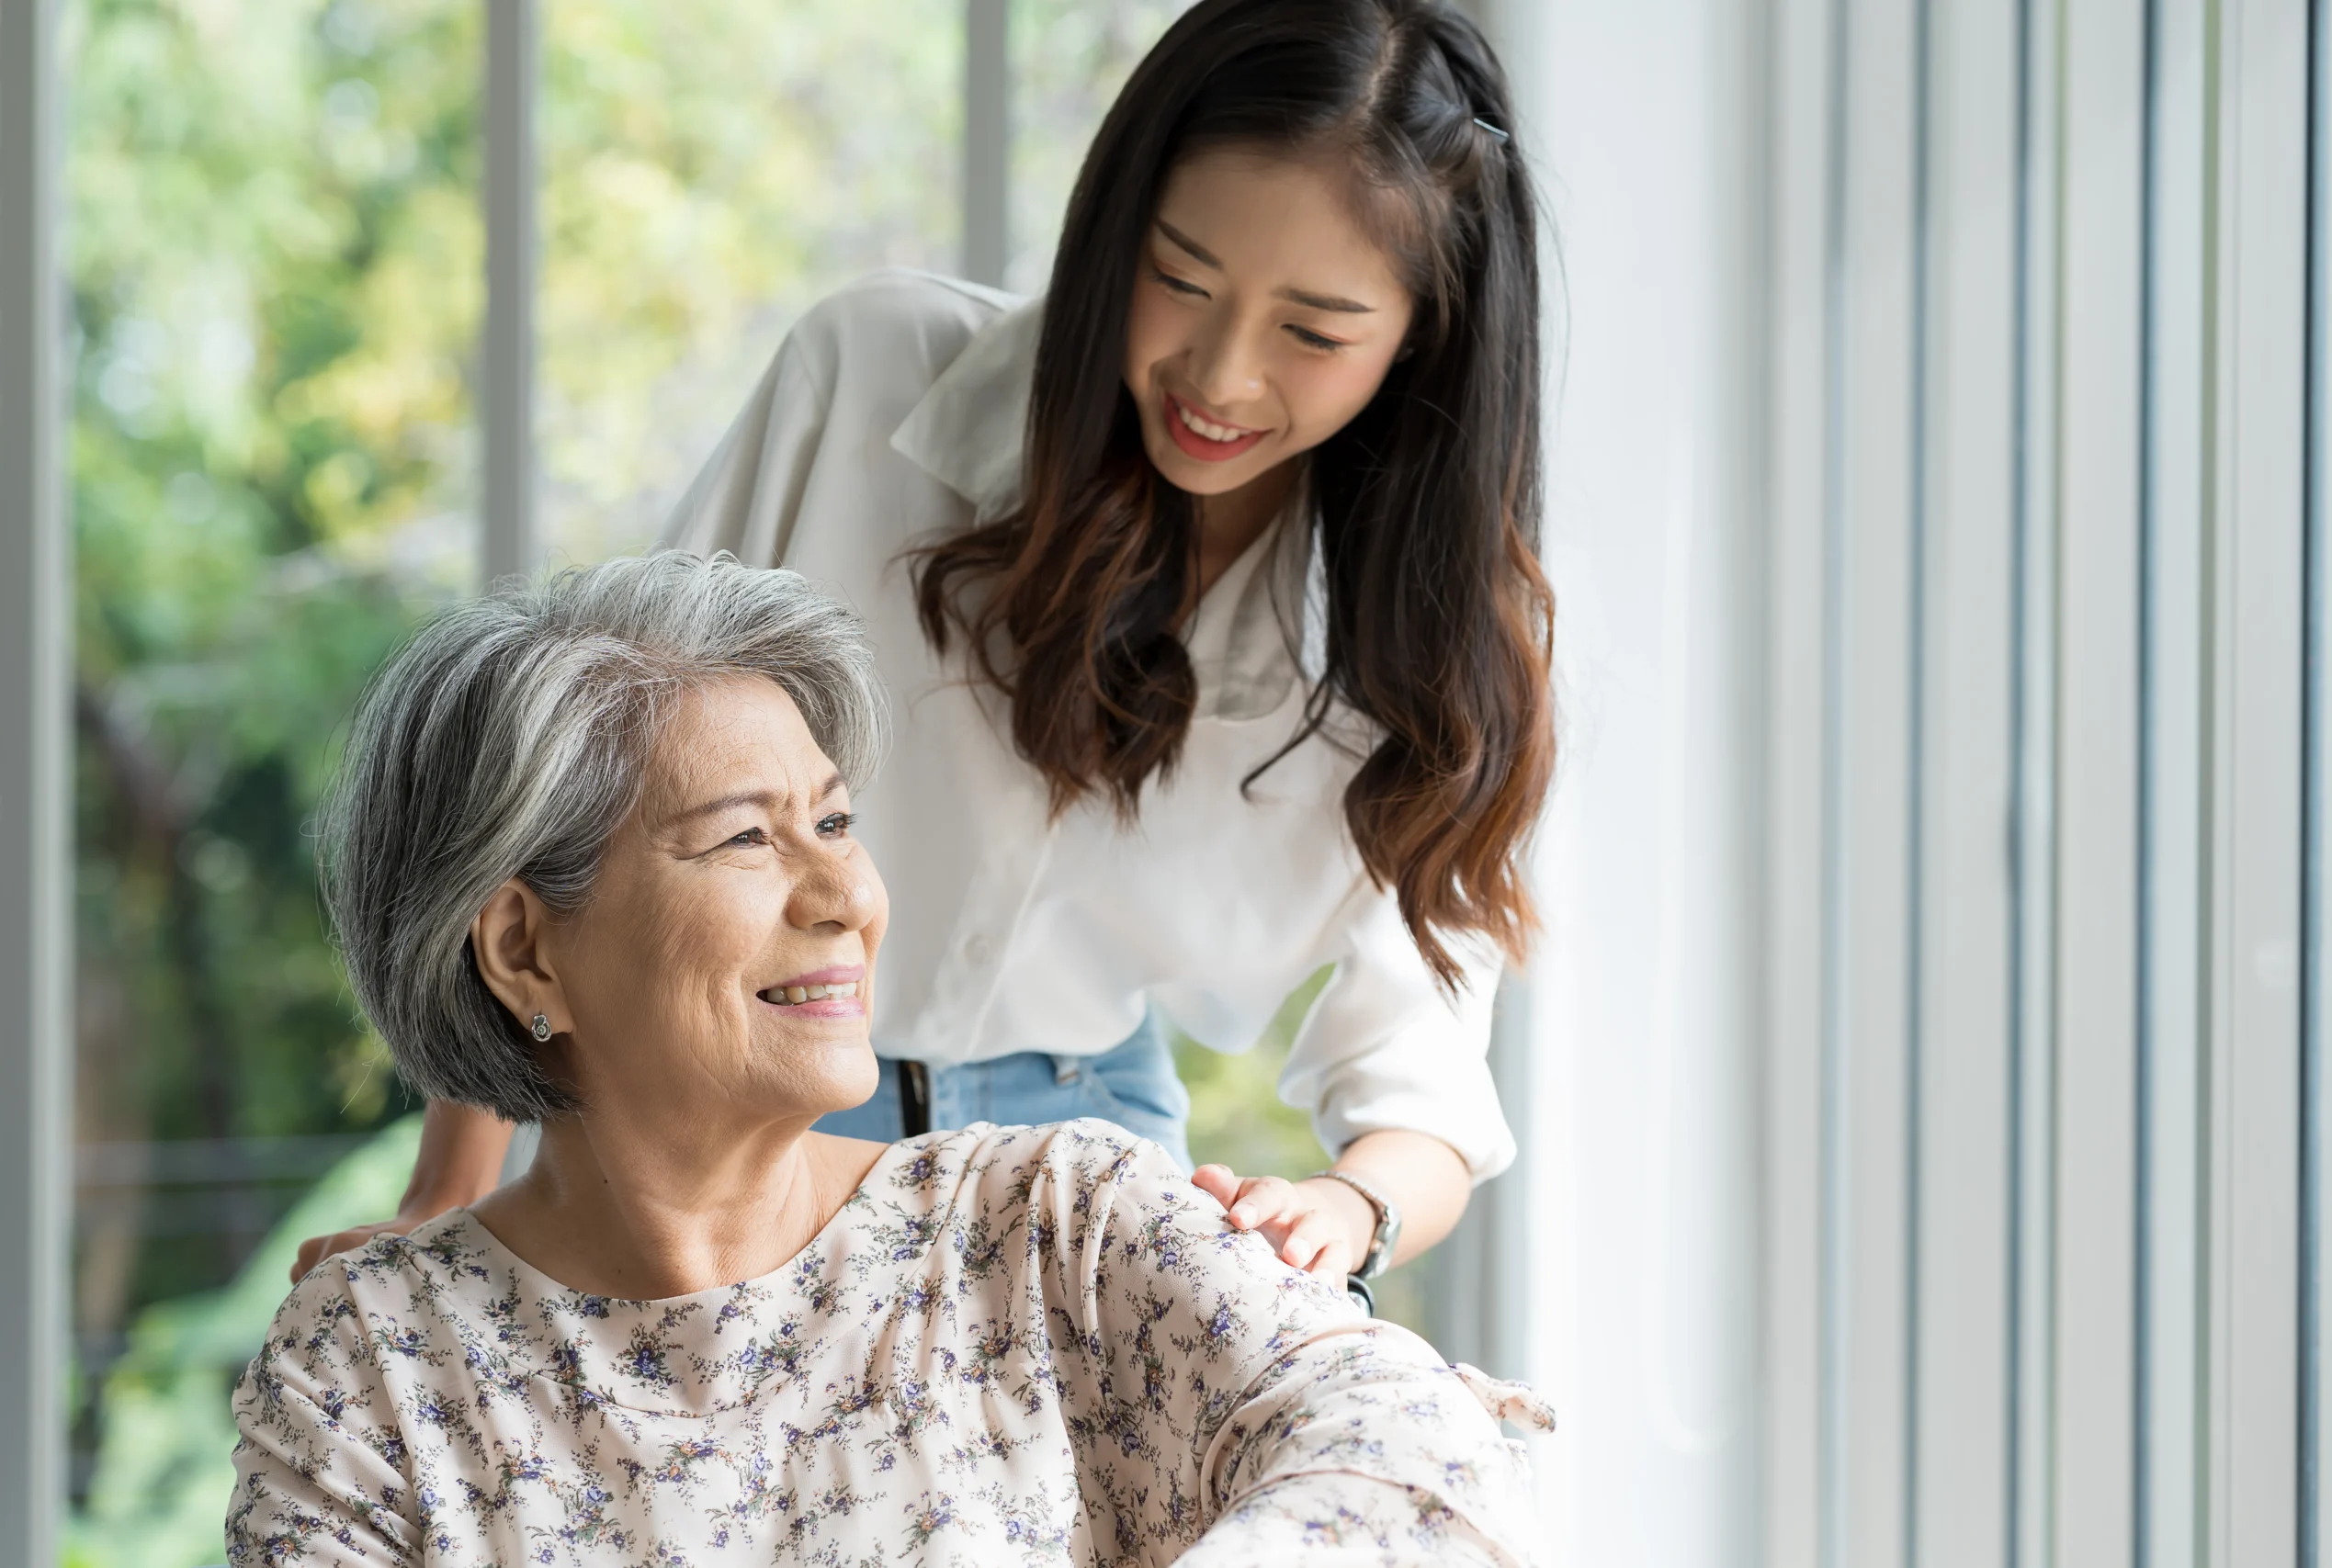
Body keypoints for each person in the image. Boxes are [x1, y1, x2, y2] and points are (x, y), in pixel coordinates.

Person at [295, 0, 1554, 1302]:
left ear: (1423, 339)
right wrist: (453, 1188)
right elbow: (570, 779)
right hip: (729, 1124)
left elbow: (1426, 1087)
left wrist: (1342, 1209)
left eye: (1313, 331)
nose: (1220, 375)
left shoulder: (1424, 646)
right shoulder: (871, 378)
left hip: (1084, 1162)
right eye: (1179, 276)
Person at [230, 553, 1549, 1565]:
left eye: (836, 819)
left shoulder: (1054, 1230)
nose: (846, 893)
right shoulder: (373, 1365)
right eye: (747, 838)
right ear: (523, 948)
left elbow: (1420, 1463)